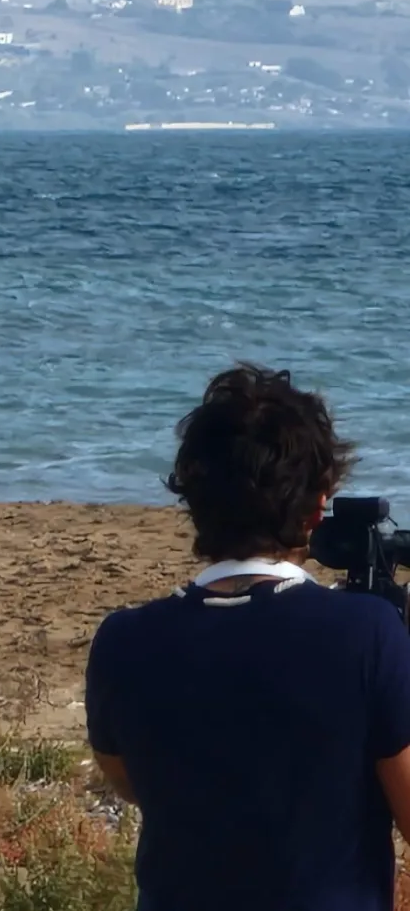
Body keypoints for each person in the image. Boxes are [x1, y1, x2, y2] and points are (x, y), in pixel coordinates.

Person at [84, 363, 410, 911]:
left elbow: (135, 784)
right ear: (317, 507)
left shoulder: (124, 643)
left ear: (194, 497)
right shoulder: (365, 635)